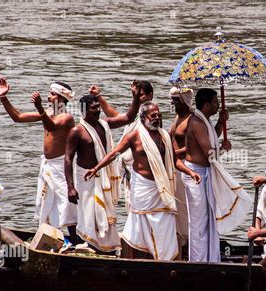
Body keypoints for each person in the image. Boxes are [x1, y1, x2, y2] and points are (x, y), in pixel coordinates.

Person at [84, 102, 201, 260]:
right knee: (138, 226)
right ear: (144, 117)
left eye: (159, 115)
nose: (157, 118)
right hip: (142, 188)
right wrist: (96, 168)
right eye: (153, 115)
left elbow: (174, 161)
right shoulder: (135, 135)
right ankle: (137, 259)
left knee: (166, 223)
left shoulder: (164, 136)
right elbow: (114, 153)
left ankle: (166, 260)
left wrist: (191, 172)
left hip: (162, 189)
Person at [0, 77, 79, 244]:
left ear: (62, 99)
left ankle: (77, 241)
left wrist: (39, 107)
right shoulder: (46, 113)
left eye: (53, 95)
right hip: (48, 165)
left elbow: (52, 126)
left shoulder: (67, 117)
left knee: (66, 203)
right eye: (50, 94)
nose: (49, 97)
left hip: (61, 165)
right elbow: (18, 117)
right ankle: (51, 236)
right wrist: (3, 98)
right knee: (46, 201)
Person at [65, 82, 141, 253]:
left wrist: (135, 97)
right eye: (94, 109)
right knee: (89, 216)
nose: (98, 110)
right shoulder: (77, 131)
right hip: (86, 178)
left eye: (98, 107)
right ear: (84, 111)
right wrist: (70, 187)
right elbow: (68, 159)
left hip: (104, 176)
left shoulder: (104, 124)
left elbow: (129, 117)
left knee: (106, 215)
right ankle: (91, 247)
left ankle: (106, 249)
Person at [184, 88, 251, 263]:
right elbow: (210, 154)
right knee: (199, 223)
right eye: (216, 102)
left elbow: (212, 136)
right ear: (207, 105)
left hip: (205, 174)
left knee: (209, 222)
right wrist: (223, 149)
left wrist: (220, 123)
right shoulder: (197, 123)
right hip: (196, 176)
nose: (218, 105)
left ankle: (210, 260)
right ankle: (198, 263)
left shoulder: (203, 120)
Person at [88, 81, 154, 212]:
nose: (138, 97)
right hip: (128, 165)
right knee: (131, 201)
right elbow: (116, 116)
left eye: (140, 95)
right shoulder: (136, 113)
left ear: (150, 95)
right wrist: (99, 96)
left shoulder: (152, 115)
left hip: (141, 165)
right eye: (136, 95)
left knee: (139, 203)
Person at [168, 87, 194, 256]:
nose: (172, 103)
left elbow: (191, 148)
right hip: (173, 168)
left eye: (176, 100)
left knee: (184, 209)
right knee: (174, 208)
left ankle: (187, 248)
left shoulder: (192, 120)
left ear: (184, 101)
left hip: (185, 168)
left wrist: (166, 155)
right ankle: (177, 246)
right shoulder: (178, 117)